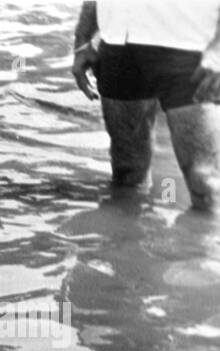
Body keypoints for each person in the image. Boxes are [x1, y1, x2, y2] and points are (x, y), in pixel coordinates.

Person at [71, 0, 220, 210]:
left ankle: (202, 240)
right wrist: (83, 39)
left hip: (189, 47)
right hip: (118, 44)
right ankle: (131, 240)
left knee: (204, 182)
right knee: (127, 175)